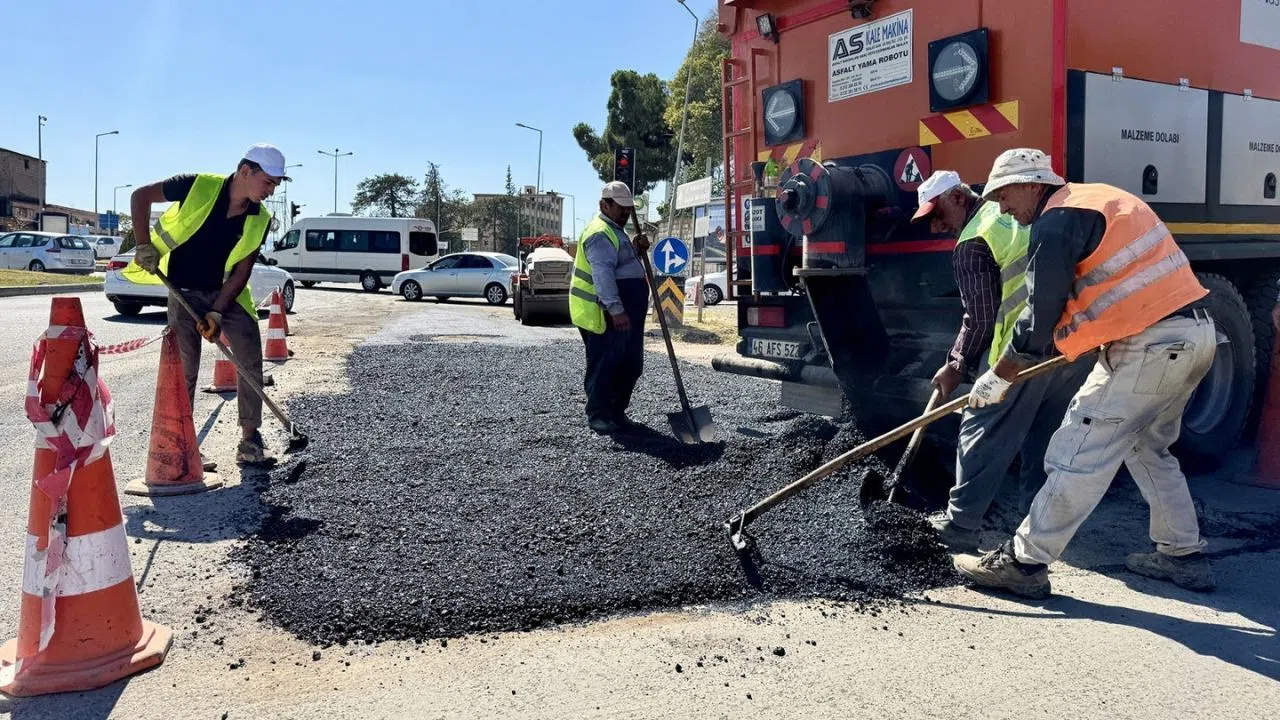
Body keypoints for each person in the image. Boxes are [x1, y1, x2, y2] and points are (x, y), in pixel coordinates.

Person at [954, 148, 1215, 598]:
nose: (1000, 207)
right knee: (1150, 450)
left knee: (1076, 452)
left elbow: (1037, 323)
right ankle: (1182, 556)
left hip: (1148, 346)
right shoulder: (1097, 198)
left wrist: (997, 376)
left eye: (1003, 195)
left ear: (1034, 185)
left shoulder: (1055, 223)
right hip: (1195, 335)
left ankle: (1025, 563)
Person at [912, 170, 1092, 552]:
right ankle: (1038, 526)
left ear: (959, 198)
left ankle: (961, 527)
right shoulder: (1012, 214)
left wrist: (957, 365)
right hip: (1067, 345)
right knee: (1044, 437)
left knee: (979, 430)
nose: (936, 226)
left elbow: (978, 318)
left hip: (1017, 355)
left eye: (937, 214)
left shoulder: (973, 241)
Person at [125, 144, 288, 466]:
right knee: (183, 367)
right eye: (268, 182)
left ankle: (250, 441)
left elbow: (243, 269)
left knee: (249, 355)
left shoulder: (260, 218)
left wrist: (216, 310)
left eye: (275, 185)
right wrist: (143, 245)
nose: (271, 191)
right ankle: (181, 447)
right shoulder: (195, 185)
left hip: (225, 294)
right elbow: (139, 197)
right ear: (246, 171)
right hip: (182, 290)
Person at [569, 181, 651, 434]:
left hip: (626, 312)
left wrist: (636, 250)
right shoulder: (599, 233)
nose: (626, 212)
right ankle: (598, 414)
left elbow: (622, 265)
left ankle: (616, 411)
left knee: (631, 363)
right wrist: (616, 310)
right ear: (604, 205)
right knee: (606, 364)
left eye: (629, 207)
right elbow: (603, 275)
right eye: (621, 207)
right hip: (603, 314)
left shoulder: (615, 230)